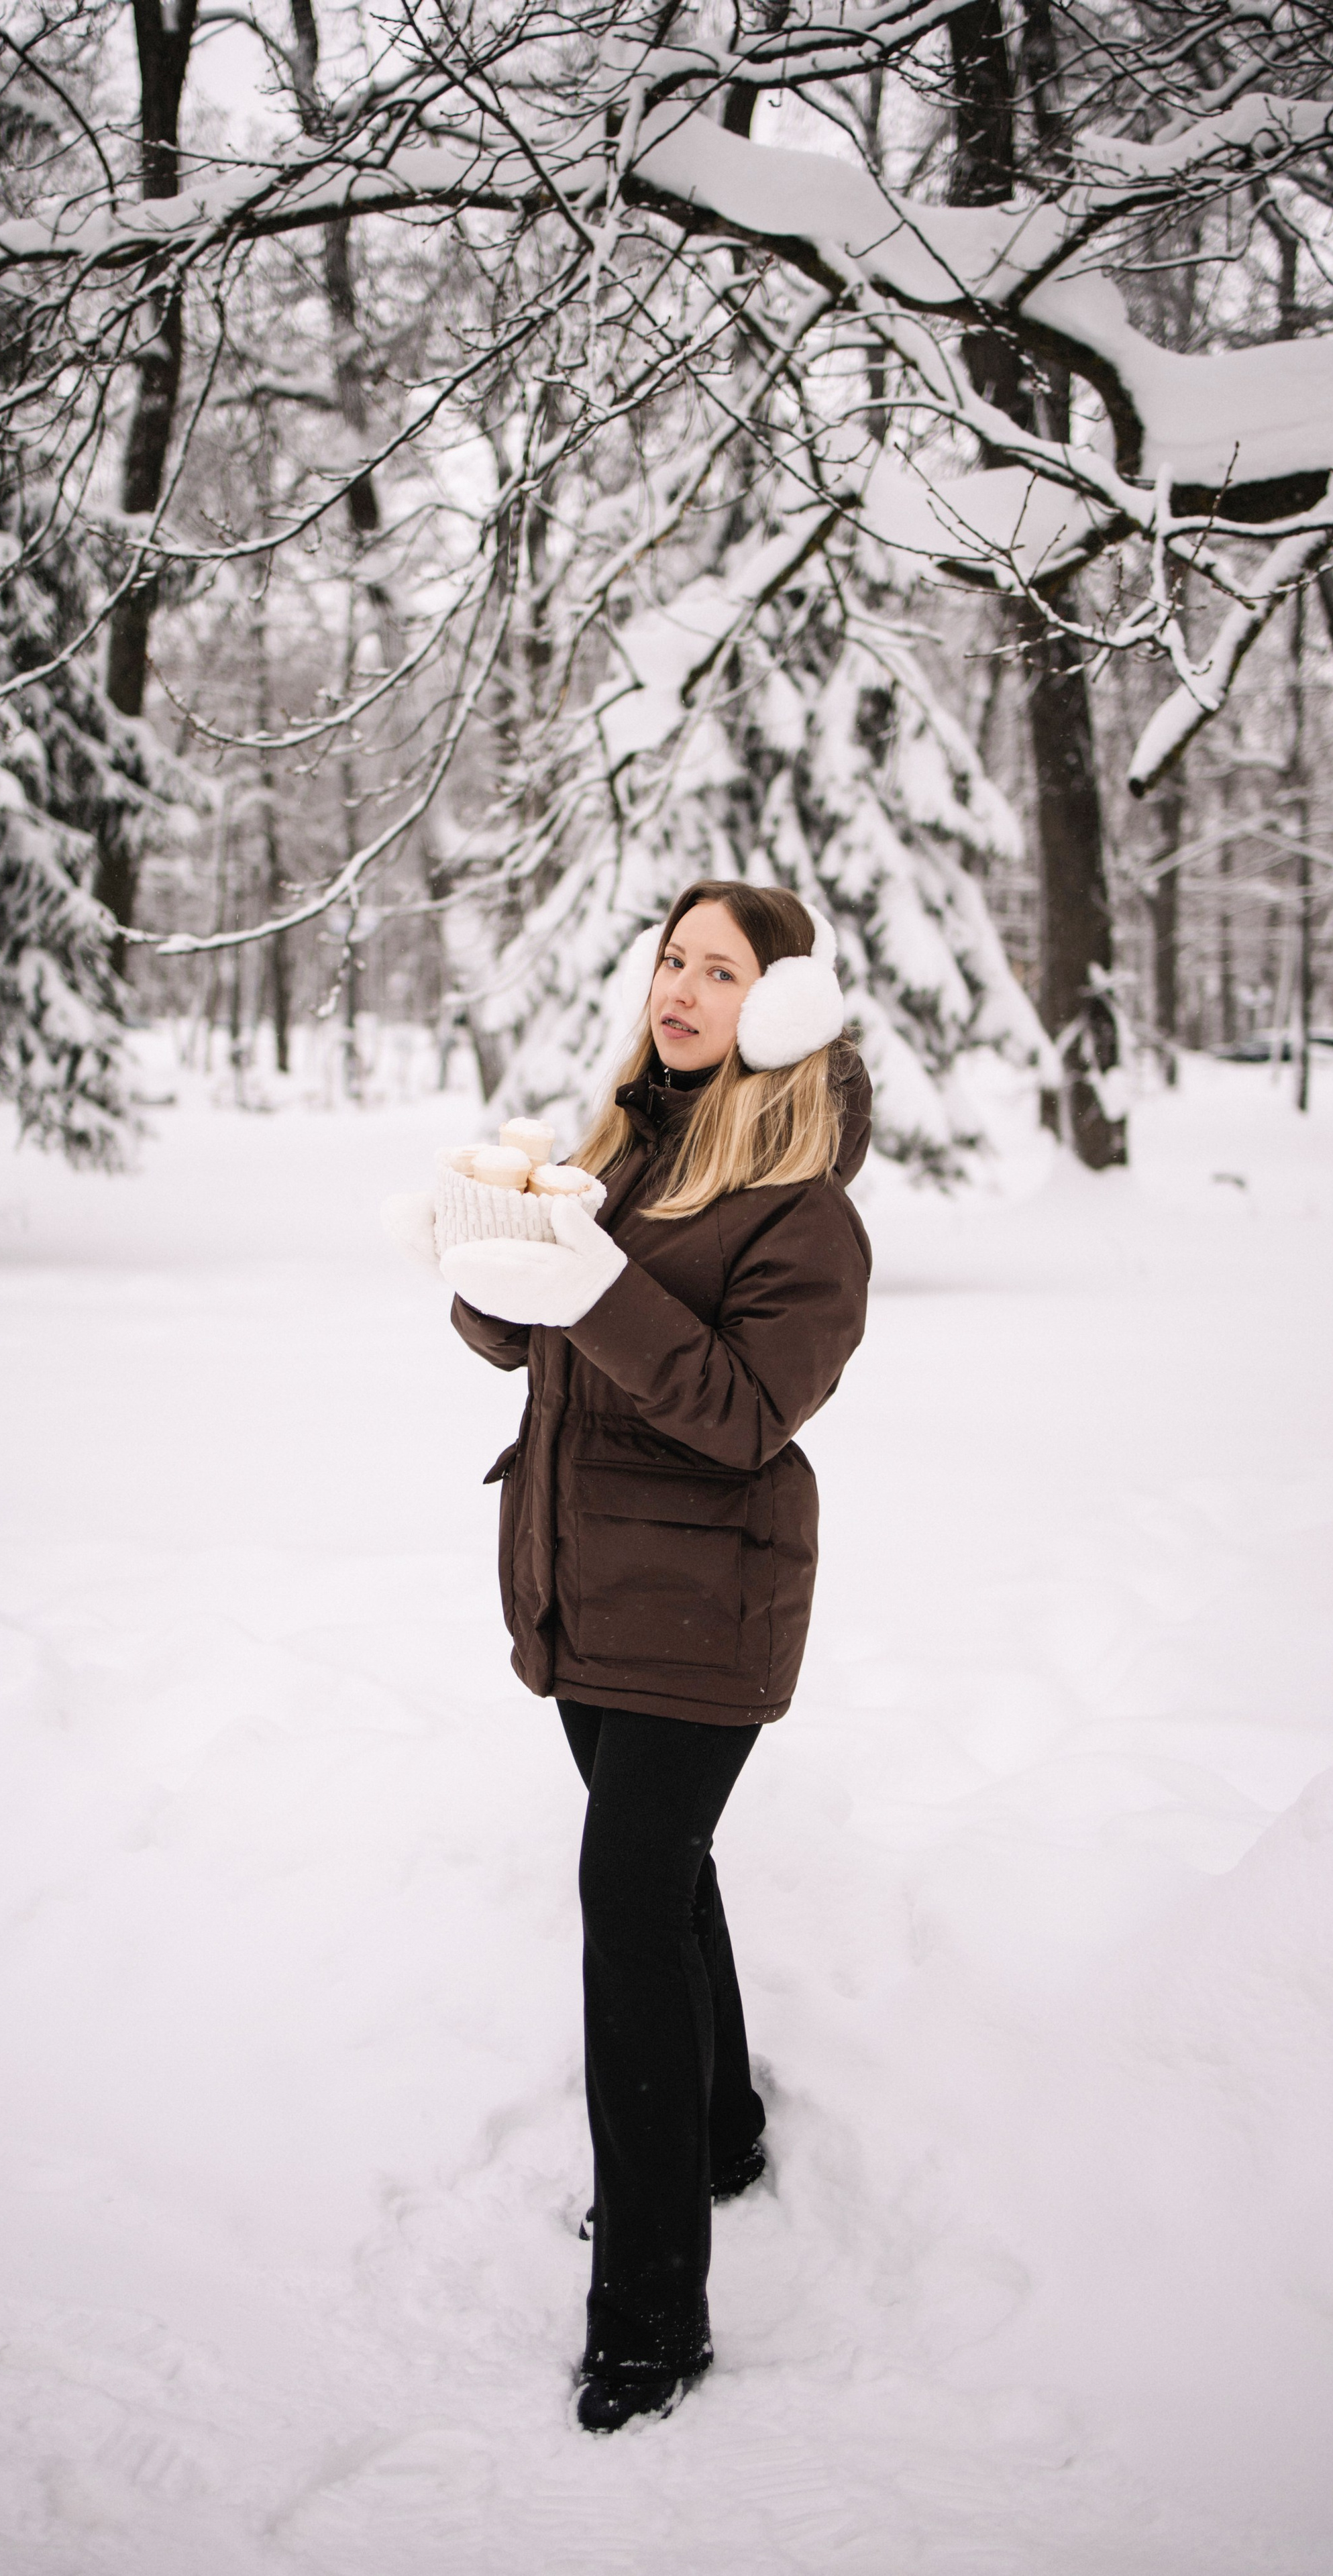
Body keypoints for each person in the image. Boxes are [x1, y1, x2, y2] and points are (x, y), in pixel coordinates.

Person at [437, 882, 871, 2432]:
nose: (678, 990)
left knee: (625, 1904)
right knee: (665, 1879)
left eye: (719, 971)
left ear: (780, 1007)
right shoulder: (626, 1149)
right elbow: (543, 1342)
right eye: (670, 961)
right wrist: (490, 1270)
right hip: (584, 1588)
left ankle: (649, 2313)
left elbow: (745, 1415)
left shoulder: (804, 1212)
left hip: (705, 1608)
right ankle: (718, 2132)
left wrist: (594, 1288)